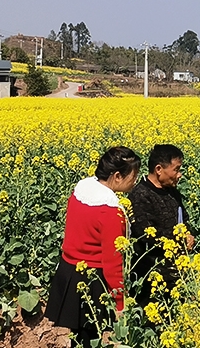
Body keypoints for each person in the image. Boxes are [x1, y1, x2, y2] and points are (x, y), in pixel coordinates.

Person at [45, 146, 141, 347]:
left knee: (80, 337)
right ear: (117, 176)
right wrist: (119, 302)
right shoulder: (109, 211)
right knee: (91, 336)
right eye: (133, 175)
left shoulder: (80, 191)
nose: (135, 180)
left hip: (69, 270)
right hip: (92, 277)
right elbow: (113, 260)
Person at [129, 143, 195, 304]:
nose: (179, 175)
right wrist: (177, 240)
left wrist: (189, 234)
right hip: (150, 276)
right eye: (176, 169)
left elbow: (183, 218)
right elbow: (145, 235)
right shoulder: (140, 196)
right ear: (159, 169)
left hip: (175, 273)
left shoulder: (172, 192)